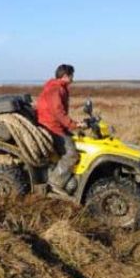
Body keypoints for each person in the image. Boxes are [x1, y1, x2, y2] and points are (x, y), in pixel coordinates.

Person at [36, 64, 83, 194]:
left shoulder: (57, 87)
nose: (73, 78)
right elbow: (58, 112)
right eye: (72, 75)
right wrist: (72, 124)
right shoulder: (55, 89)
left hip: (54, 124)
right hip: (52, 127)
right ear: (65, 76)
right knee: (72, 154)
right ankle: (54, 183)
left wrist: (72, 124)